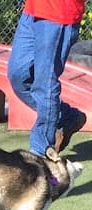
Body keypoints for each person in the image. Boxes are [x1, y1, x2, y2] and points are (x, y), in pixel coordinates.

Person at [7, 0, 87, 157]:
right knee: (18, 76)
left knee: (45, 84)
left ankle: (40, 150)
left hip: (58, 15)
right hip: (32, 11)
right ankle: (67, 116)